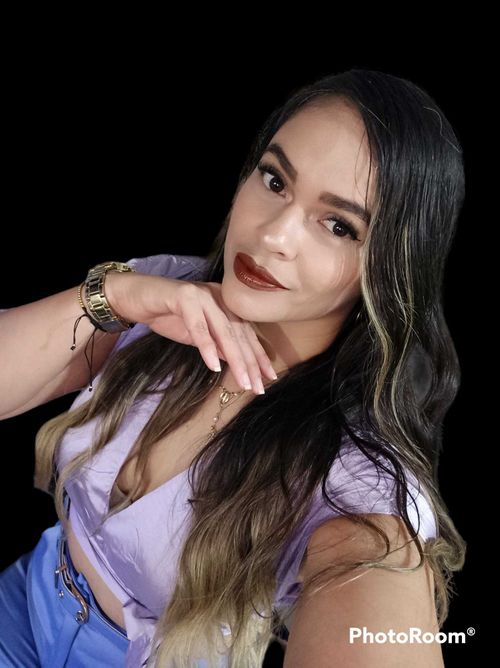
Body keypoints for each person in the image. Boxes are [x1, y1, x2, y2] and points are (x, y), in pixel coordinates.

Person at [0, 68, 466, 668]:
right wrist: (114, 296)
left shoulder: (358, 481)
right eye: (275, 180)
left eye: (338, 225)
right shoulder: (168, 291)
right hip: (23, 602)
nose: (274, 235)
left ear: (390, 266)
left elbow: (375, 598)